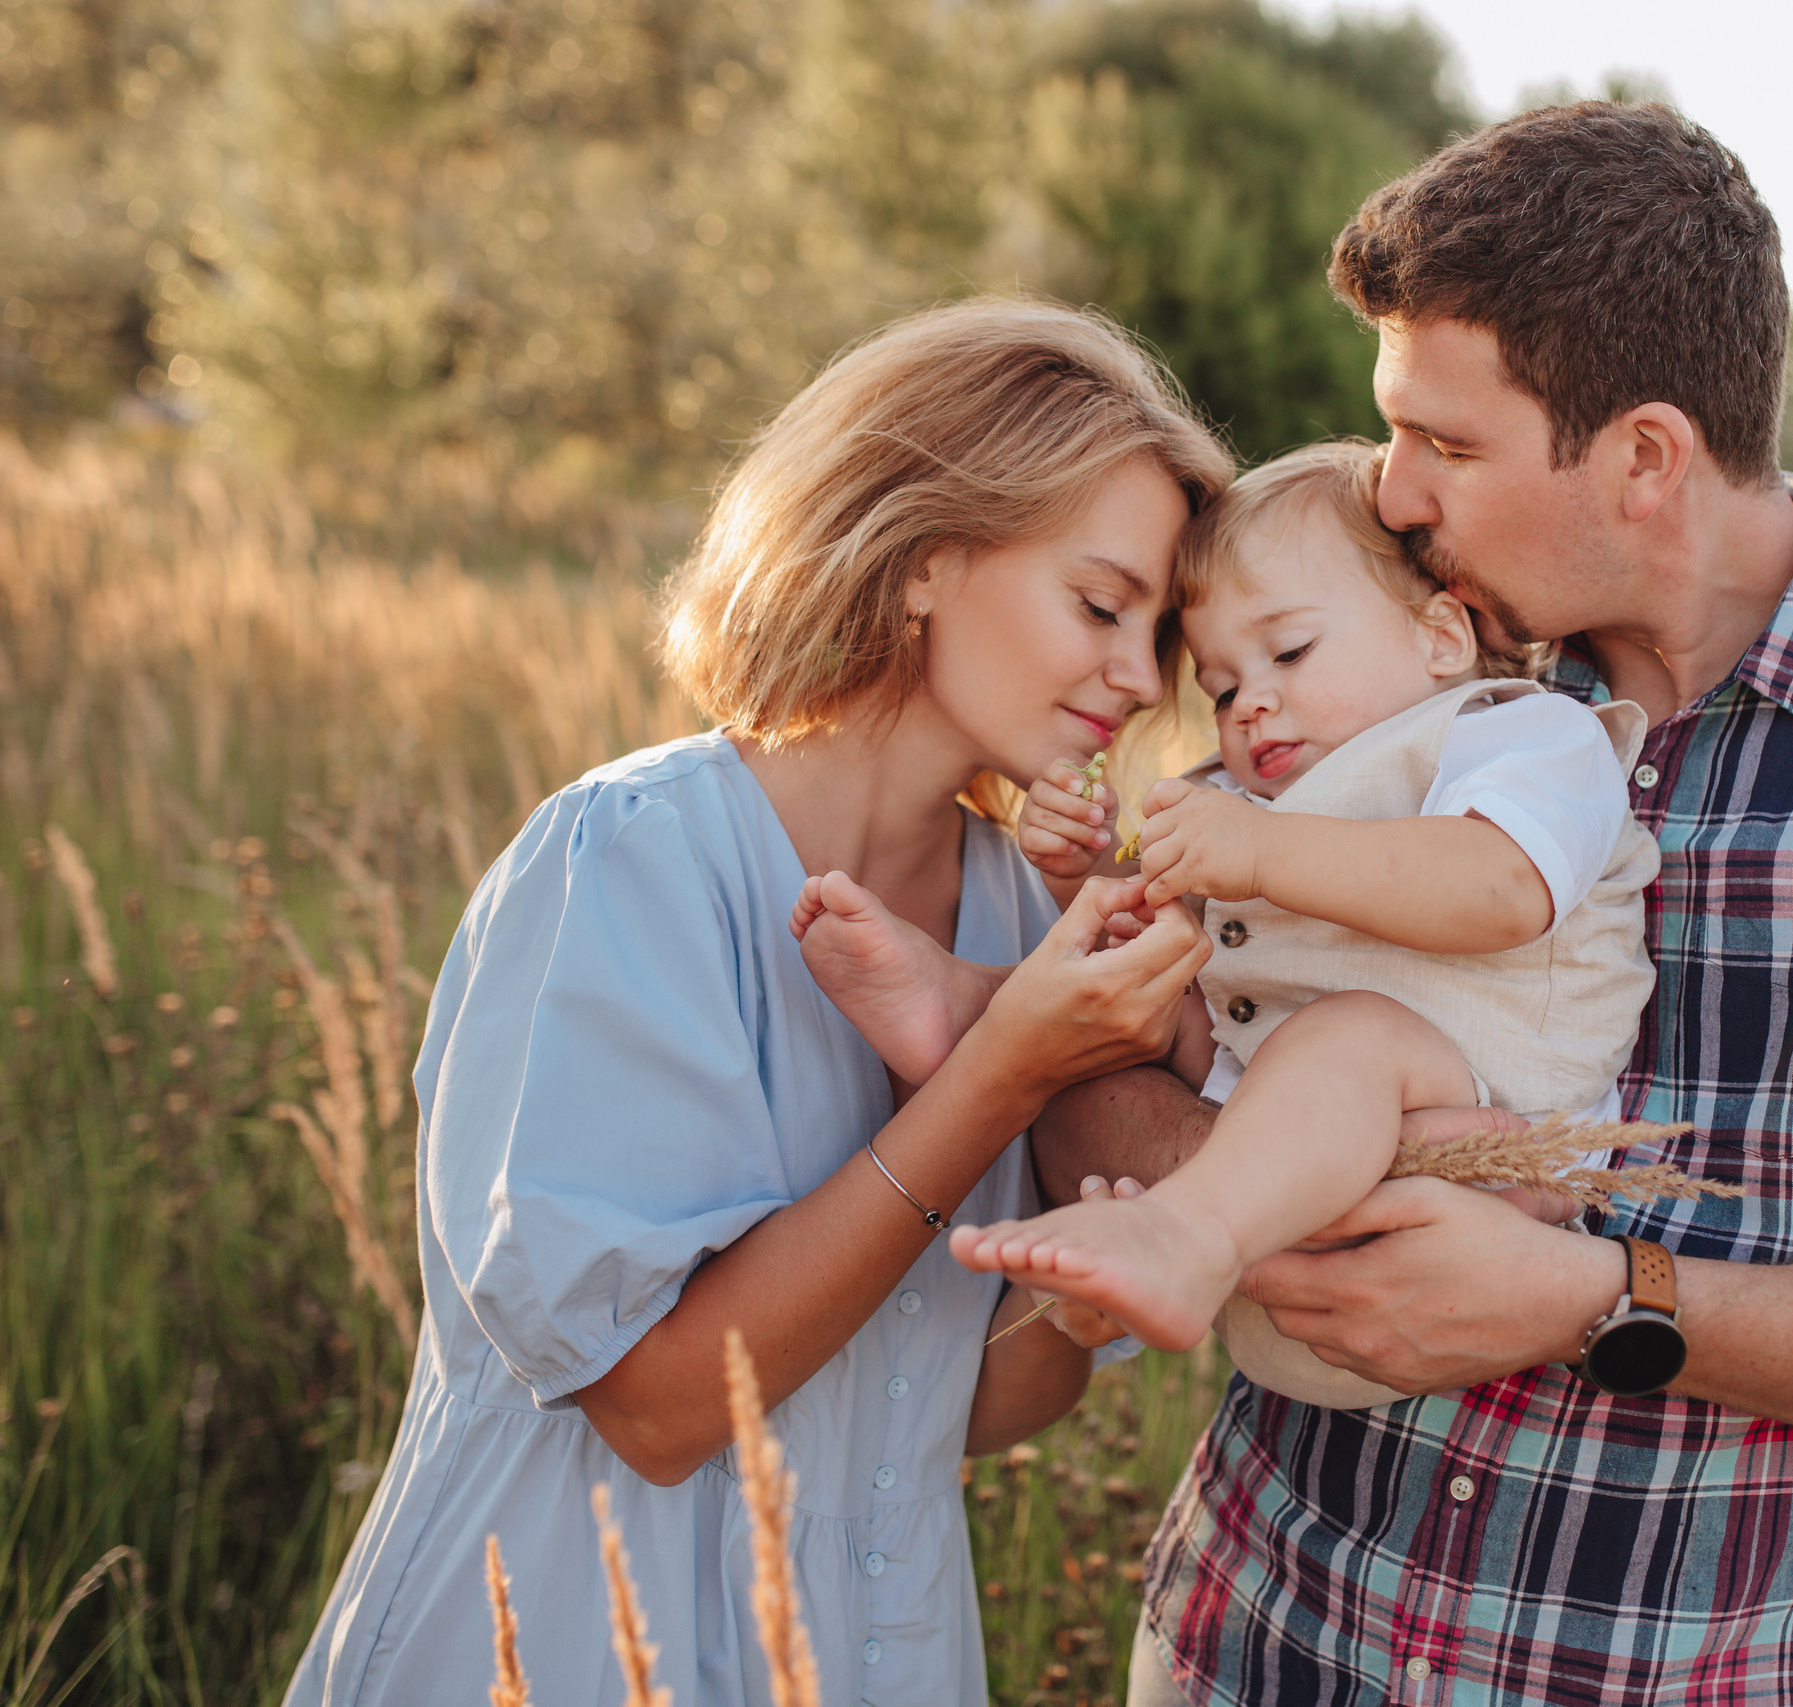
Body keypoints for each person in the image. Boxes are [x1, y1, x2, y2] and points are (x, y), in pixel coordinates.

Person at [1034, 103, 1793, 1706]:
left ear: (1646, 457)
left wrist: (1598, 1300)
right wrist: (1247, 1187)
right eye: (1391, 434)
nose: (1393, 493)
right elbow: (1097, 1062)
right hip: (1258, 1633)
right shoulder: (1362, 653)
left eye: (1447, 446)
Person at [285, 298, 1227, 1705]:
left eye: (1162, 633)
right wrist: (997, 1075)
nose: (1140, 679)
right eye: (1099, 605)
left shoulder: (1029, 919)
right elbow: (660, 1408)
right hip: (573, 1638)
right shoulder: (630, 857)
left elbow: (968, 1407)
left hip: (876, 1649)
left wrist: (1077, 1299)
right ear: (924, 554)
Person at [804, 443, 1654, 1401]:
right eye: (1219, 688)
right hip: (1285, 1195)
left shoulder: (1520, 737)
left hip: (1481, 1157)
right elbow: (1156, 934)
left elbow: (1502, 889)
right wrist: (1085, 867)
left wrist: (1257, 853)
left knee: (1350, 1037)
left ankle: (1184, 1234)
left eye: (1289, 652)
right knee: (1152, 992)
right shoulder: (1246, 796)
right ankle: (971, 1009)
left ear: (1441, 637)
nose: (1251, 703)